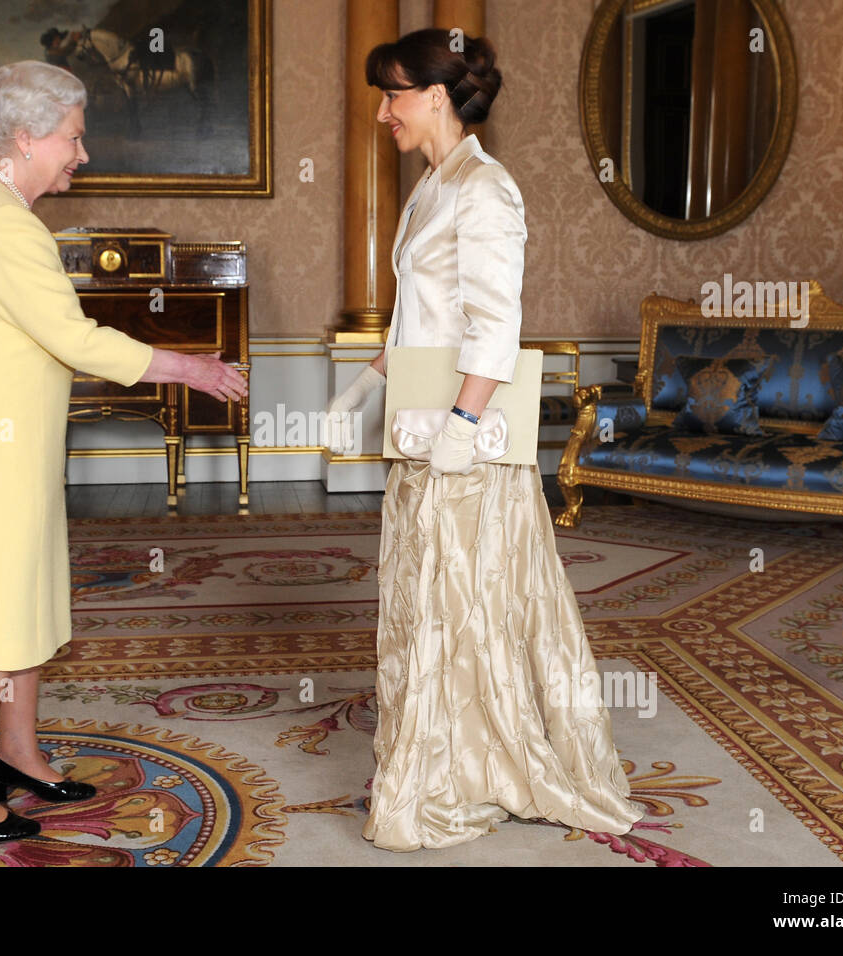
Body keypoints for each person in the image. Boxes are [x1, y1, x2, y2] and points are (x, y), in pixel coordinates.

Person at [0, 60, 247, 843]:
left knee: (22, 587)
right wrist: (189, 366)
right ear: (25, 139)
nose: (80, 154)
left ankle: (17, 751)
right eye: (73, 138)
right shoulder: (1, 222)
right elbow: (73, 337)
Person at [327, 29, 644, 851]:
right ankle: (446, 758)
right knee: (428, 602)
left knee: (462, 604)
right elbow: (417, 319)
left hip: (463, 439)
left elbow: (495, 327)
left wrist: (464, 427)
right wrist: (362, 387)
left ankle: (467, 767)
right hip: (421, 430)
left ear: (435, 96)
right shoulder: (433, 186)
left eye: (393, 93)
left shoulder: (486, 190)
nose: (383, 111)